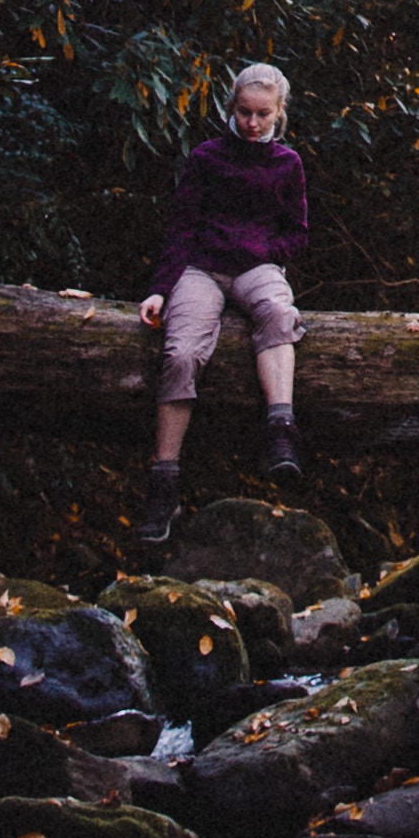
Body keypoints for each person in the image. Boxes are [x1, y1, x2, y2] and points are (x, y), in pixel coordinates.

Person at [135, 60, 308, 542]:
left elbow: (297, 234)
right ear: (232, 107)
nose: (252, 123)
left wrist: (264, 254)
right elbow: (181, 228)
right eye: (245, 112)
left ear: (279, 114)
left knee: (278, 312)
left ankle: (280, 431)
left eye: (263, 114)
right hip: (201, 269)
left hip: (257, 269)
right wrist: (160, 288)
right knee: (181, 353)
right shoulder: (207, 158)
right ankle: (164, 480)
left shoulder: (287, 164)